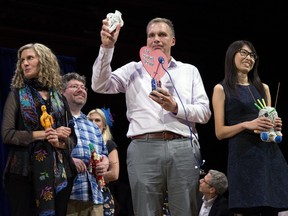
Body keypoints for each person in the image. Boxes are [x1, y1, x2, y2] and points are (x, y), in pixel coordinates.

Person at [91, 17, 211, 216]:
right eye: (151, 35)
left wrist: (175, 107)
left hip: (182, 146)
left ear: (172, 40)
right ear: (146, 41)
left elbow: (205, 113)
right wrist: (107, 48)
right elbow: (99, 85)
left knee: (185, 211)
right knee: (146, 211)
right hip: (143, 146)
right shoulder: (133, 69)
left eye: (162, 34)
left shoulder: (189, 71)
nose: (156, 39)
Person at [212, 40, 288, 216]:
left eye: (252, 55)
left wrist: (275, 125)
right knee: (248, 209)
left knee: (272, 207)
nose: (249, 58)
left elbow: (269, 118)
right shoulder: (221, 89)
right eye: (243, 53)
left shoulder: (264, 88)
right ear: (232, 56)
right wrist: (247, 124)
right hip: (243, 157)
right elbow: (220, 133)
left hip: (268, 155)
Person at [1, 43, 77, 216]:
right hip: (23, 173)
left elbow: (73, 138)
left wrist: (60, 141)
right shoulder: (16, 95)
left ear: (44, 61)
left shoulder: (60, 98)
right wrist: (43, 134)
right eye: (22, 60)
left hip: (59, 172)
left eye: (30, 58)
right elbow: (7, 134)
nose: (25, 63)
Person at [61, 72, 109, 216]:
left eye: (83, 87)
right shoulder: (56, 119)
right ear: (62, 92)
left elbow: (104, 154)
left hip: (94, 196)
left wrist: (104, 163)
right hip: (68, 195)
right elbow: (47, 153)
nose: (81, 89)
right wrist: (68, 161)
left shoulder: (93, 126)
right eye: (74, 86)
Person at [87, 107, 120, 216]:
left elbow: (114, 174)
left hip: (102, 195)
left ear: (104, 126)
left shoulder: (108, 144)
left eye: (97, 120)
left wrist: (91, 177)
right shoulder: (80, 144)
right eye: (90, 120)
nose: (93, 123)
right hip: (80, 195)